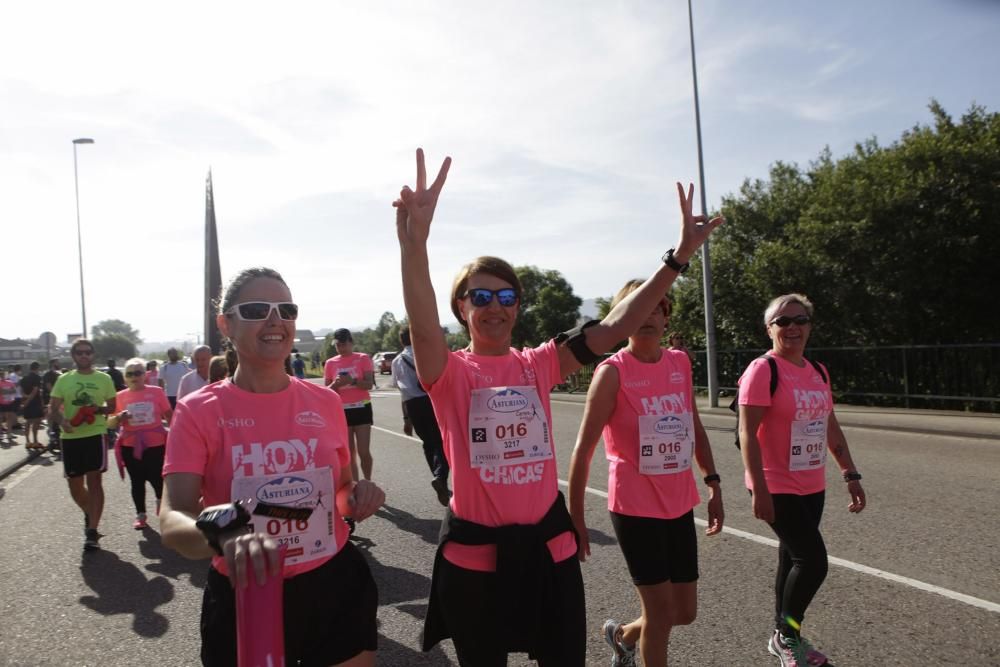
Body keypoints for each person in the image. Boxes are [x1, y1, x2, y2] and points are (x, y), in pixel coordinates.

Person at [395, 148, 724, 665]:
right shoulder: (450, 372)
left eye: (506, 298)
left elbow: (614, 326)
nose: (495, 308)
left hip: (551, 554)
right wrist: (415, 245)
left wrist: (677, 258)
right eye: (480, 298)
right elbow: (420, 321)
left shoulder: (538, 363)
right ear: (462, 308)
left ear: (518, 307)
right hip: (475, 562)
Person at [160, 267, 384, 666]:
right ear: (225, 324)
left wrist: (359, 496)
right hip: (246, 591)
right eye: (257, 309)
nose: (275, 320)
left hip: (333, 581)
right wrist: (224, 538)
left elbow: (341, 492)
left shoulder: (326, 402)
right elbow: (173, 515)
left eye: (286, 309)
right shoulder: (198, 411)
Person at [568, 282, 724, 667]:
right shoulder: (612, 373)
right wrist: (576, 517)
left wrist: (713, 481)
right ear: (621, 320)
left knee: (683, 611)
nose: (646, 316)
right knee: (659, 613)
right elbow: (583, 449)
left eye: (655, 308)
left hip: (677, 501)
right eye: (636, 310)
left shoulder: (679, 363)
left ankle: (622, 635)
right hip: (635, 507)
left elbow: (695, 426)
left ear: (666, 316)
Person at [737, 293, 867, 667]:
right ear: (769, 329)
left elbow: (829, 424)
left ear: (809, 326)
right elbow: (747, 432)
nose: (792, 327)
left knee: (791, 559)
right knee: (813, 562)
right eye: (782, 321)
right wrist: (758, 489)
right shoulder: (764, 370)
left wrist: (850, 472)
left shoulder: (818, 372)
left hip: (812, 481)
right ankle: (787, 635)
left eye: (800, 320)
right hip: (775, 482)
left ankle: (783, 633)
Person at [48, 338, 117, 551]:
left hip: (95, 434)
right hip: (70, 438)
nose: (84, 355)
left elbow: (112, 407)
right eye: (79, 352)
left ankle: (92, 531)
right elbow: (52, 410)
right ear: (73, 356)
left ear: (93, 355)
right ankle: (90, 511)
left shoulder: (104, 379)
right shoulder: (64, 380)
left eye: (87, 352)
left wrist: (96, 409)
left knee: (95, 482)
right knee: (75, 487)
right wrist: (63, 422)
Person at [108, 358, 172, 530]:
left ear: (145, 375)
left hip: (155, 444)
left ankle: (161, 503)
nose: (134, 376)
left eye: (138, 372)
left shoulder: (157, 392)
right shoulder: (120, 396)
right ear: (125, 378)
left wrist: (177, 436)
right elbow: (110, 423)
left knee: (158, 478)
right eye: (130, 374)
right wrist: (118, 418)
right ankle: (141, 515)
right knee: (137, 481)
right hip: (130, 445)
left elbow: (169, 415)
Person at [391, 326, 450, 506]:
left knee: (427, 443)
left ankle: (436, 475)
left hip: (412, 405)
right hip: (431, 400)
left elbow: (401, 391)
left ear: (402, 341)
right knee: (440, 441)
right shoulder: (425, 354)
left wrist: (406, 419)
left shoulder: (396, 361)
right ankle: (440, 477)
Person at [323, 329, 376, 482]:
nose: (341, 348)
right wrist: (336, 383)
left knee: (363, 451)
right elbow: (327, 391)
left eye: (344, 344)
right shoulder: (331, 363)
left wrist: (352, 381)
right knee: (349, 453)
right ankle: (355, 486)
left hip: (362, 407)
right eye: (338, 345)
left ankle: (367, 481)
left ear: (351, 343)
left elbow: (369, 384)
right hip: (342, 410)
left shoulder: (362, 358)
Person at [19, 361, 46, 450]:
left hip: (26, 401)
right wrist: (29, 400)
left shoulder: (24, 378)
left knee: (27, 421)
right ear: (37, 368)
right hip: (35, 402)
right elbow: (35, 391)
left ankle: (27, 442)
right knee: (36, 421)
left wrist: (25, 399)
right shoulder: (37, 377)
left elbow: (21, 391)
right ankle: (35, 441)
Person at [0, 372, 17, 444]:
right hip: (1, 402)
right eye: (1, 375)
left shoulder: (10, 382)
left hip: (9, 402)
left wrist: (6, 391)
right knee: (0, 418)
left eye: (3, 375)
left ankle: (9, 433)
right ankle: (1, 434)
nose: (3, 376)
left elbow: (14, 390)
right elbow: (1, 391)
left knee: (9, 418)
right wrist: (9, 391)